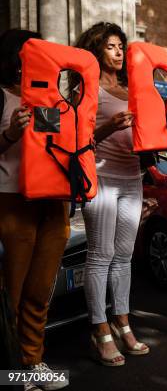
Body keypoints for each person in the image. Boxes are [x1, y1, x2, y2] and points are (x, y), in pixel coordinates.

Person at [74, 22, 149, 367]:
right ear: (96, 50)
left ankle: (122, 321)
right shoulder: (85, 89)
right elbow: (75, 142)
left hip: (132, 177)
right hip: (100, 177)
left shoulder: (132, 88)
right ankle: (99, 328)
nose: (119, 52)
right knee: (100, 255)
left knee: (124, 255)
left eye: (122, 46)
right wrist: (109, 126)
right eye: (111, 47)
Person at [0, 28, 70, 390]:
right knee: (11, 292)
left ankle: (33, 363)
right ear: (15, 57)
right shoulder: (1, 97)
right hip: (12, 200)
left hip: (53, 200)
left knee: (41, 290)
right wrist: (11, 133)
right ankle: (11, 370)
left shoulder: (54, 96)